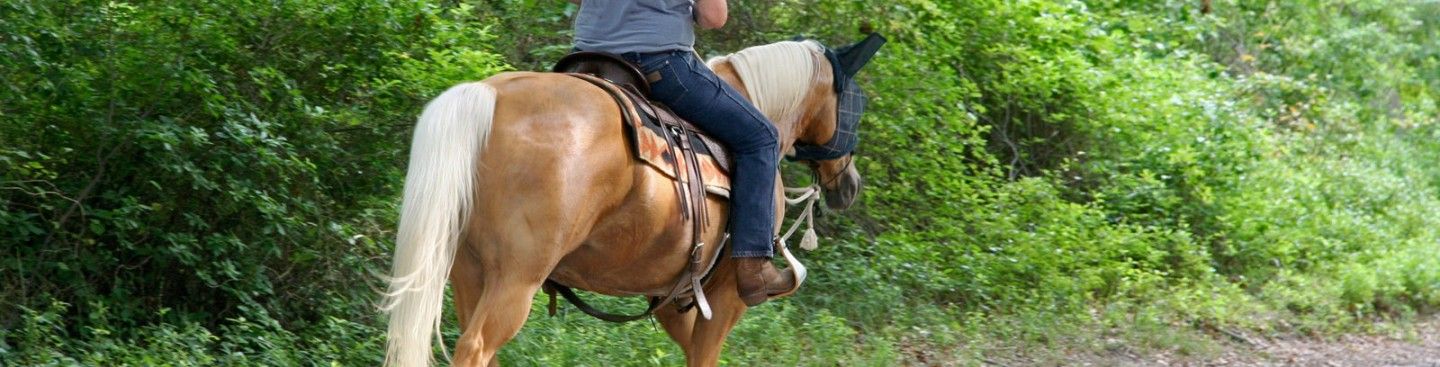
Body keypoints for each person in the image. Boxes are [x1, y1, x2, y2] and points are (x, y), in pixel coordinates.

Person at [569, 0, 794, 306]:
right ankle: (754, 268)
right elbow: (714, 17)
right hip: (656, 63)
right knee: (761, 138)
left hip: (584, 60)